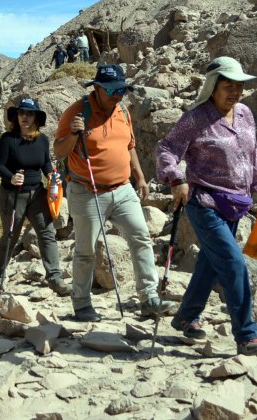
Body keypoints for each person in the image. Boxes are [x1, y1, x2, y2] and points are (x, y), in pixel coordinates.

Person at [155, 56, 257, 357]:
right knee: (233, 263)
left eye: (239, 86)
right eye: (228, 86)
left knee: (209, 264)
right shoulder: (195, 118)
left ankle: (185, 317)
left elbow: (252, 154)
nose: (235, 92)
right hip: (204, 202)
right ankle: (247, 334)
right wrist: (176, 178)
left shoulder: (245, 114)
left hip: (236, 204)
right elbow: (167, 149)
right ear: (213, 88)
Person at [53, 64, 176, 322]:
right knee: (86, 250)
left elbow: (129, 146)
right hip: (87, 191)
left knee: (141, 237)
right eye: (111, 90)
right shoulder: (76, 112)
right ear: (96, 89)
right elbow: (60, 152)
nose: (117, 95)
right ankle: (82, 304)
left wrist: (140, 178)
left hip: (122, 188)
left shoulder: (122, 110)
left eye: (121, 89)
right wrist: (75, 133)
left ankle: (149, 297)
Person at [0, 98, 69, 295]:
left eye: (30, 113)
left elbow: (45, 163)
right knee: (10, 236)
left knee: (47, 233)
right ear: (16, 116)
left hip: (37, 194)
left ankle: (55, 278)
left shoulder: (42, 140)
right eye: (22, 113)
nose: (25, 117)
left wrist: (51, 175)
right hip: (13, 194)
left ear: (36, 118)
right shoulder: (8, 139)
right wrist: (11, 177)